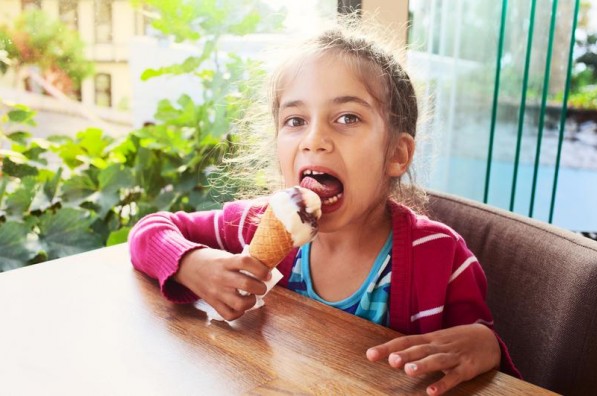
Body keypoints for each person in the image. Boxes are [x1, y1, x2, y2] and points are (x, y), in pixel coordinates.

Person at [128, 22, 520, 396]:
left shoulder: (442, 258)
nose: (315, 139)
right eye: (295, 120)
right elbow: (149, 231)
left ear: (397, 155)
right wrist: (192, 264)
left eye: (347, 118)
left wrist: (488, 347)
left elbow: (483, 369)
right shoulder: (255, 224)